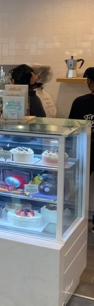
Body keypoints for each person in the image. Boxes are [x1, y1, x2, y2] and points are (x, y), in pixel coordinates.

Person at [68, 67, 94, 230]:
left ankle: (78, 219)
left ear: (90, 82)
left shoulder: (81, 102)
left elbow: (70, 128)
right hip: (86, 148)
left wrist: (66, 150)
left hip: (86, 148)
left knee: (80, 183)